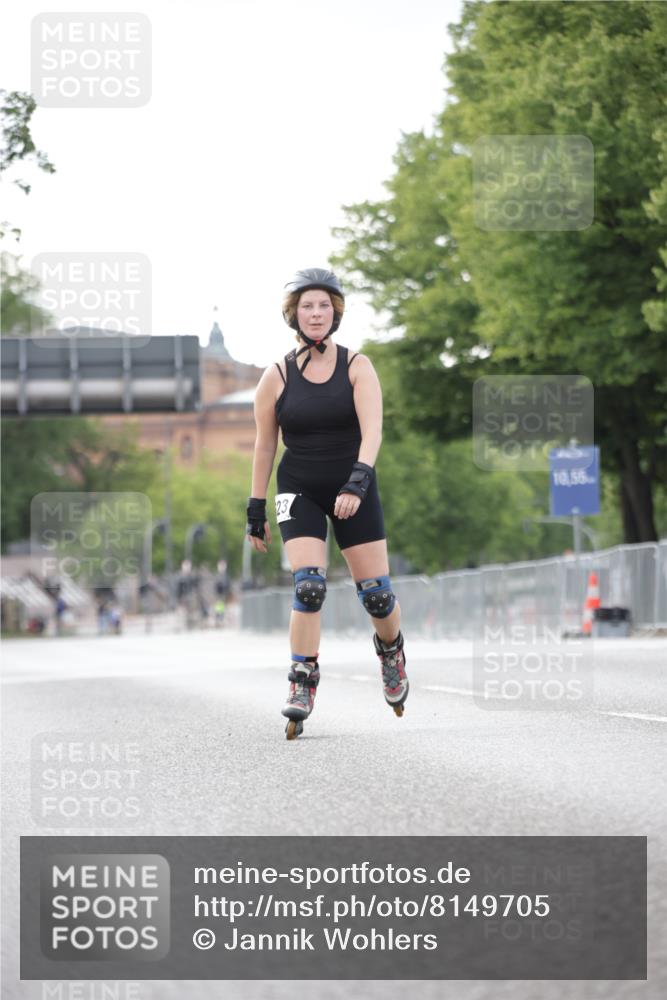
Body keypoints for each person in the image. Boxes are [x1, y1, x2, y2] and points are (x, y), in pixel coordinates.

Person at [246, 267, 409, 739]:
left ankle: (391, 651)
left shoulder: (357, 366)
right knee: (309, 586)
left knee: (376, 594)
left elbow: (373, 429)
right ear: (293, 314)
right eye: (306, 306)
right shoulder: (274, 377)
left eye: (323, 306)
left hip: (352, 484)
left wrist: (358, 482)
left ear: (334, 312)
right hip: (297, 486)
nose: (315, 313)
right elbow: (263, 446)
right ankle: (302, 680)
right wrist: (255, 507)